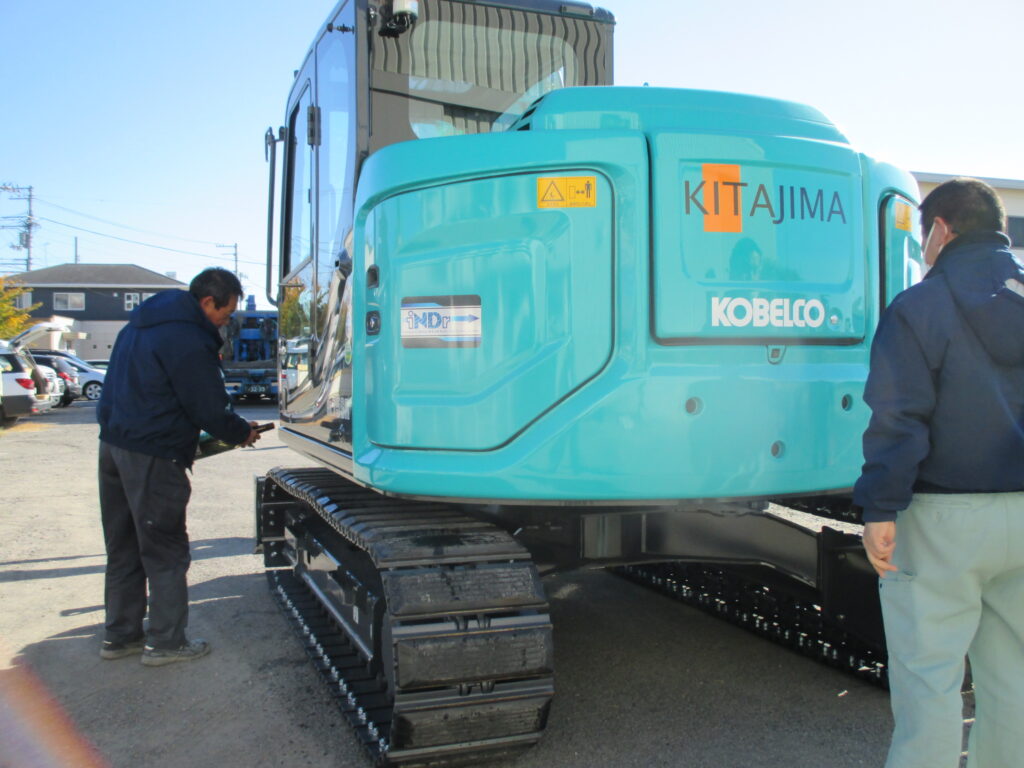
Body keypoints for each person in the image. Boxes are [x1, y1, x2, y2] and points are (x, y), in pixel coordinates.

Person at [853, 178, 1024, 768]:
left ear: (942, 230)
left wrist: (879, 508)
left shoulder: (919, 306)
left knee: (930, 678)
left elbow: (899, 416)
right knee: (1014, 677)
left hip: (942, 517)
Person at [96, 268, 261, 666]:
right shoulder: (187, 337)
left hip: (112, 447)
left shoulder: (136, 327)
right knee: (165, 551)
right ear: (208, 302)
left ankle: (120, 637)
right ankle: (166, 644)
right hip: (153, 456)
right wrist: (240, 432)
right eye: (225, 313)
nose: (224, 322)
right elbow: (207, 406)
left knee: (123, 548)